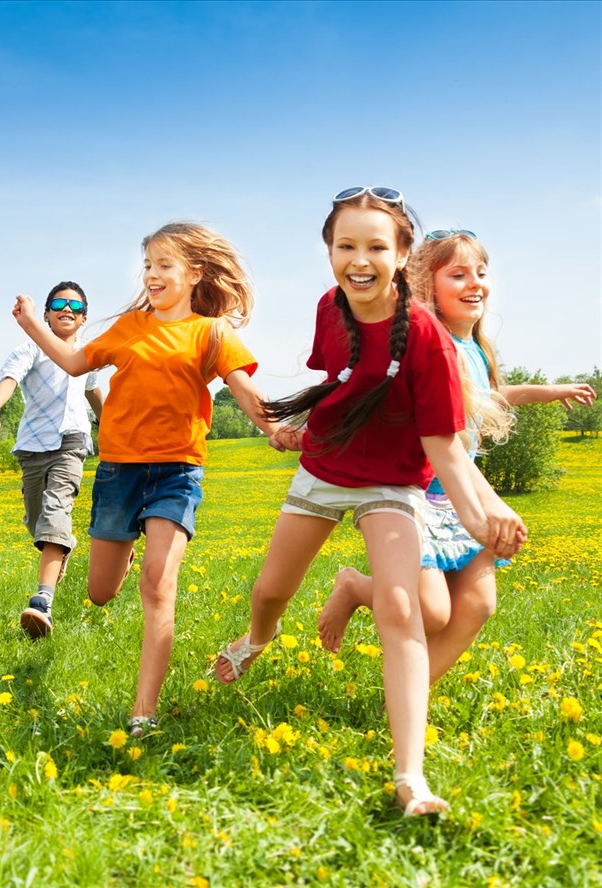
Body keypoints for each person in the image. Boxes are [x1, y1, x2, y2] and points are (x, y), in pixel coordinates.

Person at [213, 189, 528, 817]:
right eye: (345, 246)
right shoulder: (330, 307)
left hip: (393, 485)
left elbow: (445, 450)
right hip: (324, 468)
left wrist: (481, 515)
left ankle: (411, 778)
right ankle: (255, 639)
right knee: (271, 591)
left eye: (376, 247)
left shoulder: (430, 343)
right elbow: (338, 376)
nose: (359, 260)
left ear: (402, 254)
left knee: (402, 604)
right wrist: (303, 423)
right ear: (329, 250)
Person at [11, 222, 294, 737]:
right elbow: (76, 362)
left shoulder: (211, 332)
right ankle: (129, 545)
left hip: (176, 472)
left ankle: (144, 713)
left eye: (165, 265)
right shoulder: (131, 326)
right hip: (119, 472)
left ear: (195, 273)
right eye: (148, 265)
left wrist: (275, 428)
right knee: (99, 592)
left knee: (158, 588)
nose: (153, 274)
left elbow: (243, 389)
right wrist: (34, 323)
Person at [319, 229, 596, 683]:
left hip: (460, 492)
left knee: (478, 603)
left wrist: (549, 391)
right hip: (419, 493)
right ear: (427, 285)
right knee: (429, 612)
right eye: (459, 274)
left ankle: (411, 696)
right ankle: (354, 585)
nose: (475, 283)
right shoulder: (427, 344)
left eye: (481, 274)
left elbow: (489, 395)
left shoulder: (476, 351)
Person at [0, 281, 104, 638]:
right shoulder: (30, 348)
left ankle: (42, 601)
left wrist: (108, 425)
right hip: (33, 445)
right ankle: (63, 545)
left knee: (55, 511)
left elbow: (93, 390)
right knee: (37, 522)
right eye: (59, 304)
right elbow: (9, 379)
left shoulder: (87, 354)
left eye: (76, 307)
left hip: (73, 441)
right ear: (45, 315)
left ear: (83, 318)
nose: (68, 310)